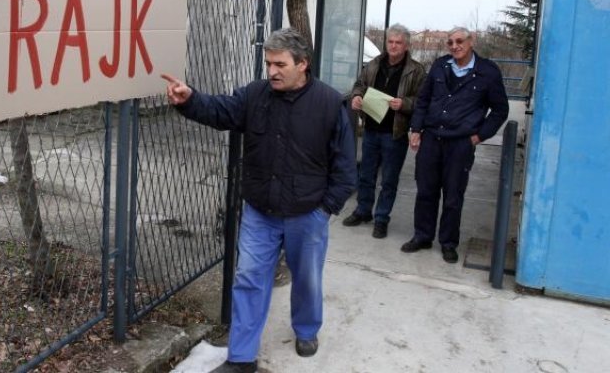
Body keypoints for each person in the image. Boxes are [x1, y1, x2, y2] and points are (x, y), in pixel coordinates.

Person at [162, 28, 357, 373]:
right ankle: (241, 357)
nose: (272, 71)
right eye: (269, 63)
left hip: (307, 212)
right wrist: (190, 98)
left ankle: (307, 330)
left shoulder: (329, 103)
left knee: (307, 277)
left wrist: (326, 208)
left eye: (280, 64)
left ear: (303, 64)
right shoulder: (255, 95)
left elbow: (345, 166)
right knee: (249, 277)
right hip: (260, 210)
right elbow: (221, 110)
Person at [402, 26, 509, 264]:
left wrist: (479, 136)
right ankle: (422, 236)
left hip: (460, 143)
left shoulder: (487, 72)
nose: (454, 46)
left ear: (472, 41)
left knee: (453, 195)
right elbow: (423, 100)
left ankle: (448, 242)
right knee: (426, 192)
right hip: (431, 138)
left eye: (459, 41)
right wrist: (416, 129)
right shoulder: (440, 66)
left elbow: (500, 110)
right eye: (450, 42)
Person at [342, 24, 426, 239]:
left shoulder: (416, 70)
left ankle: (381, 218)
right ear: (386, 43)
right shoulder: (373, 64)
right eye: (390, 41)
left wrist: (405, 103)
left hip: (395, 133)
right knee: (366, 175)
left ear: (406, 45)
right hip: (371, 128)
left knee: (389, 180)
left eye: (398, 42)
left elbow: (424, 100)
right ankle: (363, 211)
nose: (394, 46)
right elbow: (359, 84)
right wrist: (356, 97)